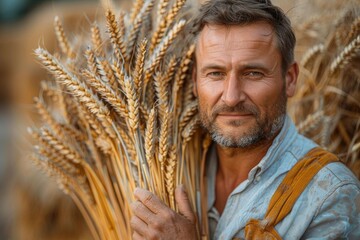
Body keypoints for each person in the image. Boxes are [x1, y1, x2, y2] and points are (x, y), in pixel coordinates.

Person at [130, 0, 360, 239]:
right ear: (195, 81)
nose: (231, 97)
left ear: (290, 79)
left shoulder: (330, 194)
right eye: (216, 73)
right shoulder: (165, 169)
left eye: (253, 73)